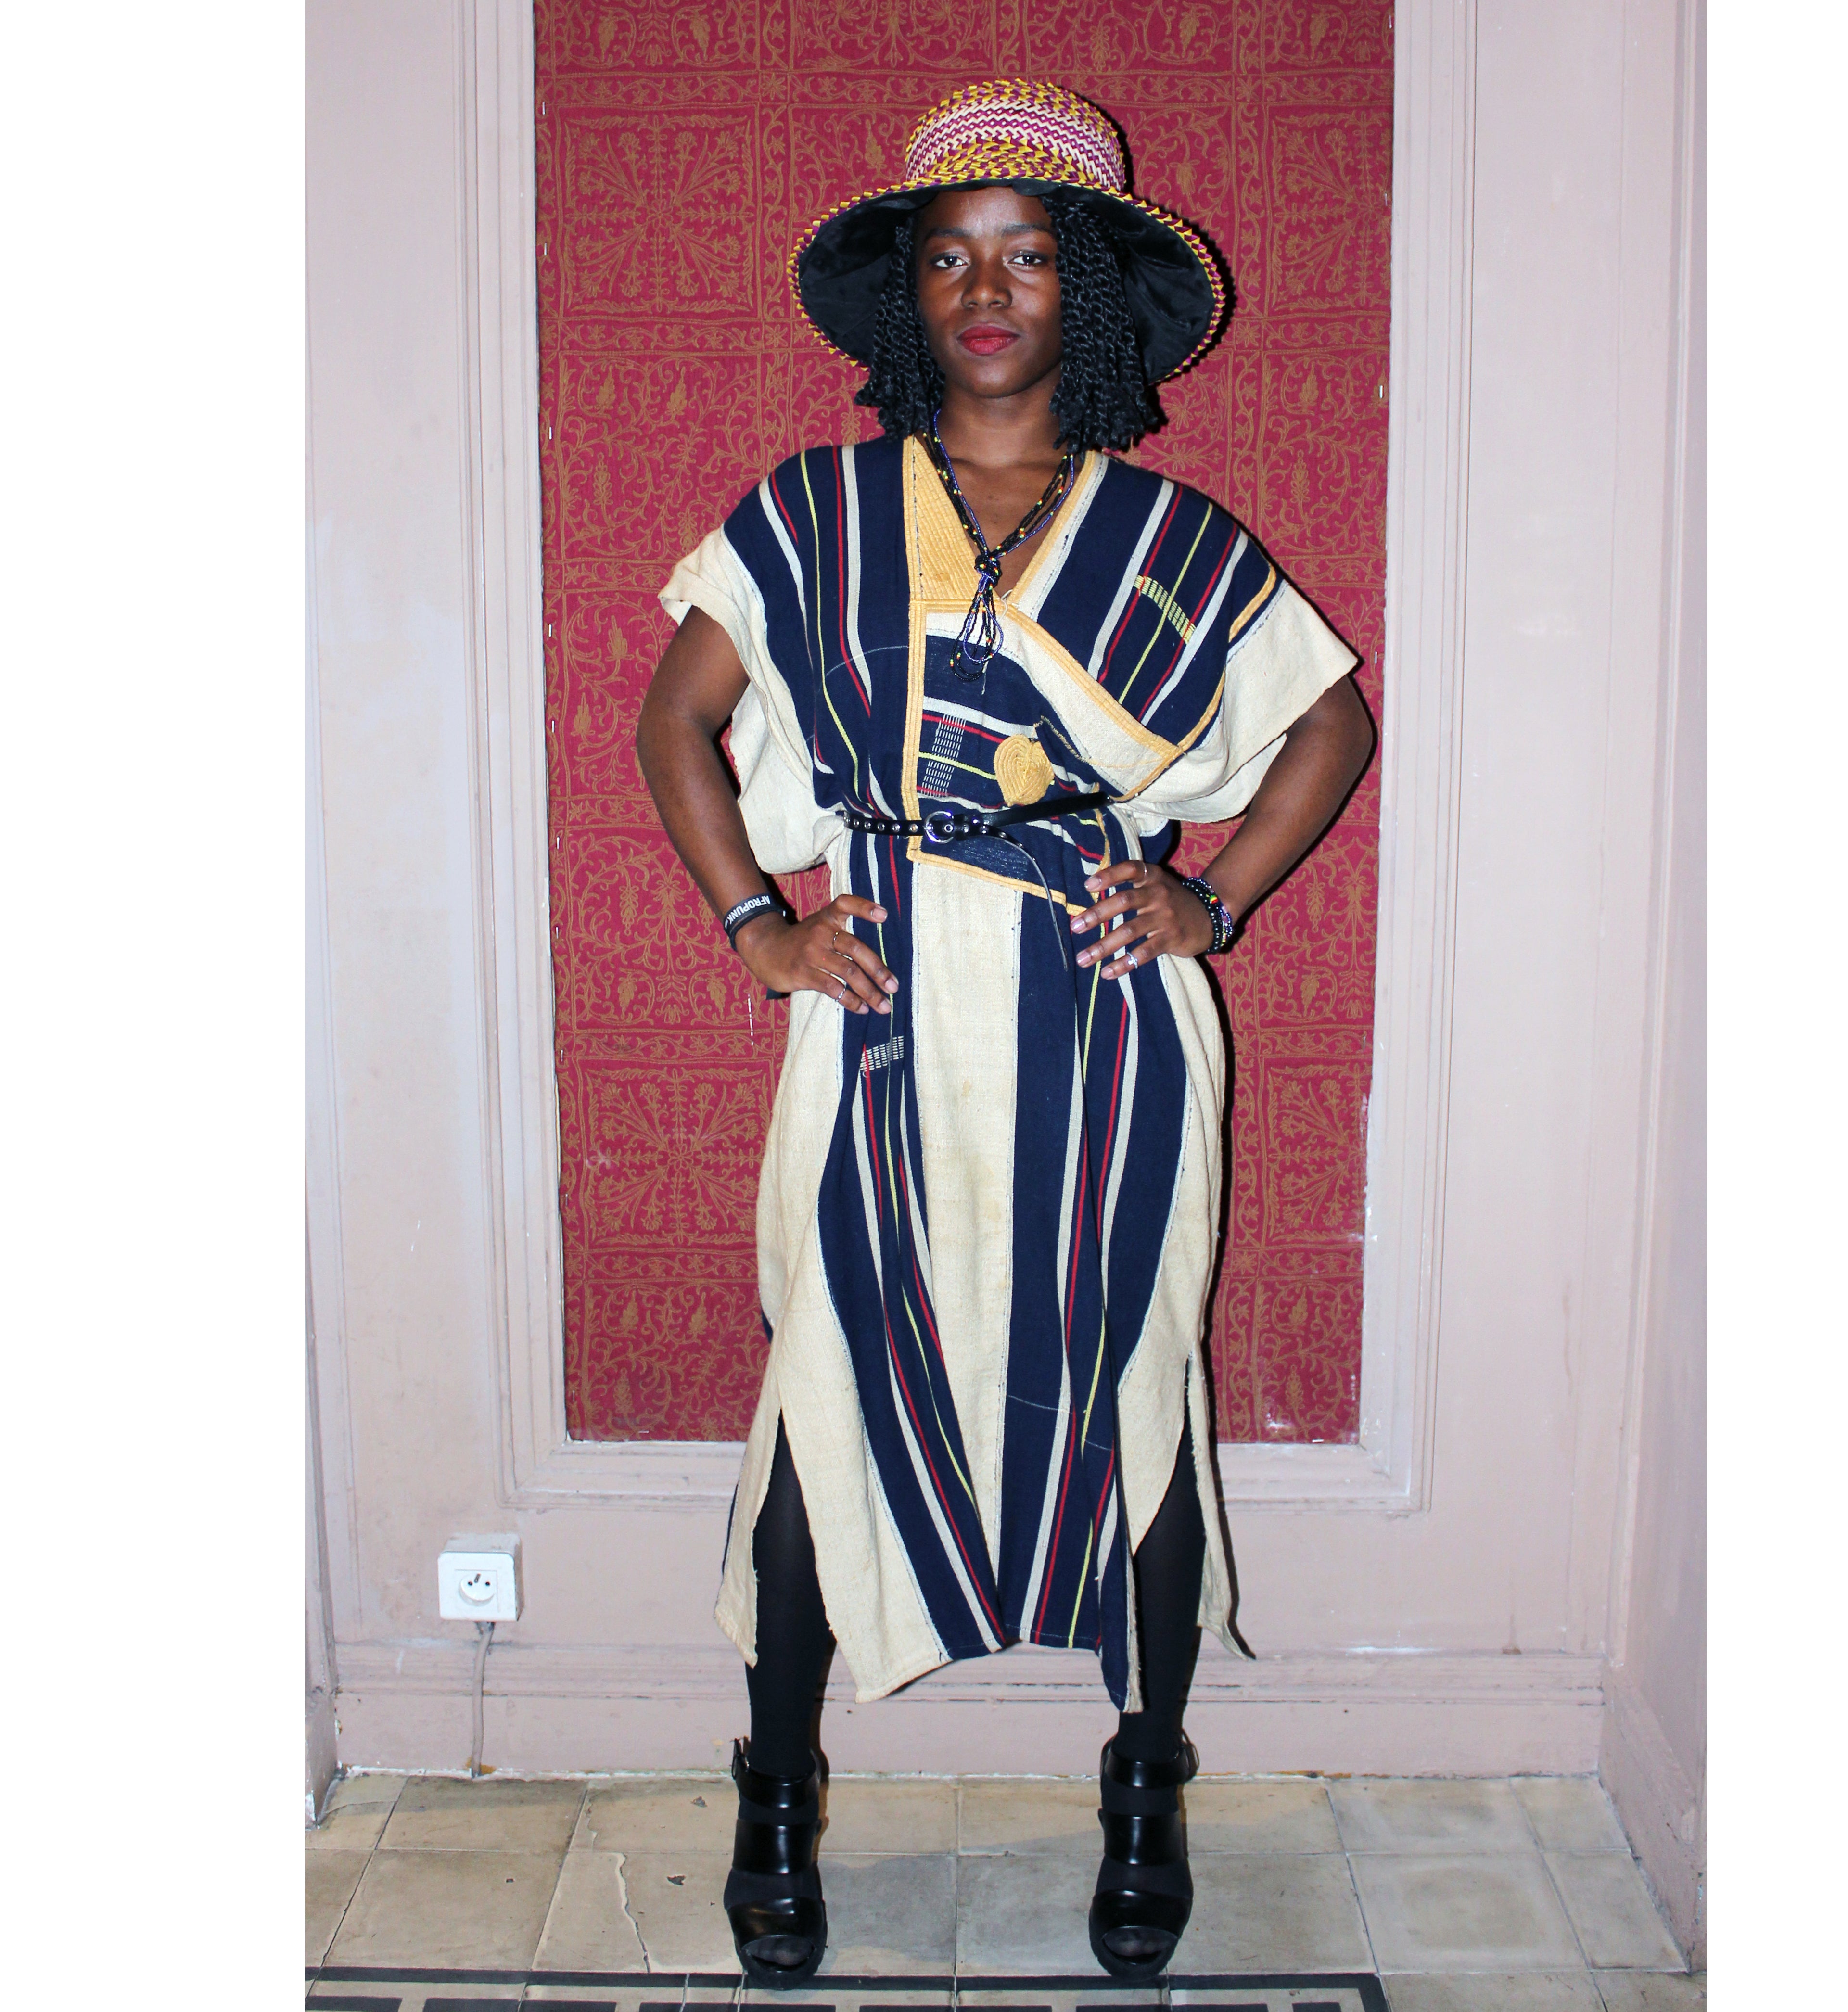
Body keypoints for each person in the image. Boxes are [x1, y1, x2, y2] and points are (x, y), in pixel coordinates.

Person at [634, 79, 1376, 1986]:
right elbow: (671, 719)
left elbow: (1328, 722)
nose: (985, 291)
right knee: (830, 1378)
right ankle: (772, 1794)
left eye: (1028, 256)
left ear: (1087, 293)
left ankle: (1143, 1785)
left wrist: (1214, 900)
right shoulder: (808, 515)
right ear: (909, 291)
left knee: (1128, 1381)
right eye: (952, 257)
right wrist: (759, 928)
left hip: (1105, 1014)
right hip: (878, 1007)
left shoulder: (1170, 538)